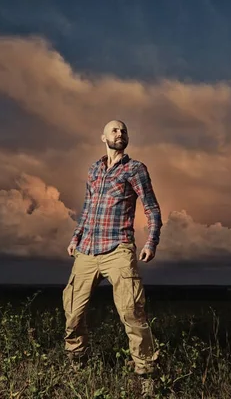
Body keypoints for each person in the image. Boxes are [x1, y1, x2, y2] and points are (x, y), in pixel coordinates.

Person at [63, 119, 163, 378]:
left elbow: (151, 208)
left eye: (124, 131)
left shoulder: (135, 169)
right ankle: (78, 364)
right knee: (72, 312)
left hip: (118, 248)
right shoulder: (94, 170)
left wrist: (151, 241)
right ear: (103, 137)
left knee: (132, 312)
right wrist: (76, 237)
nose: (120, 134)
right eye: (115, 130)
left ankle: (146, 374)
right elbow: (87, 209)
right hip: (86, 250)